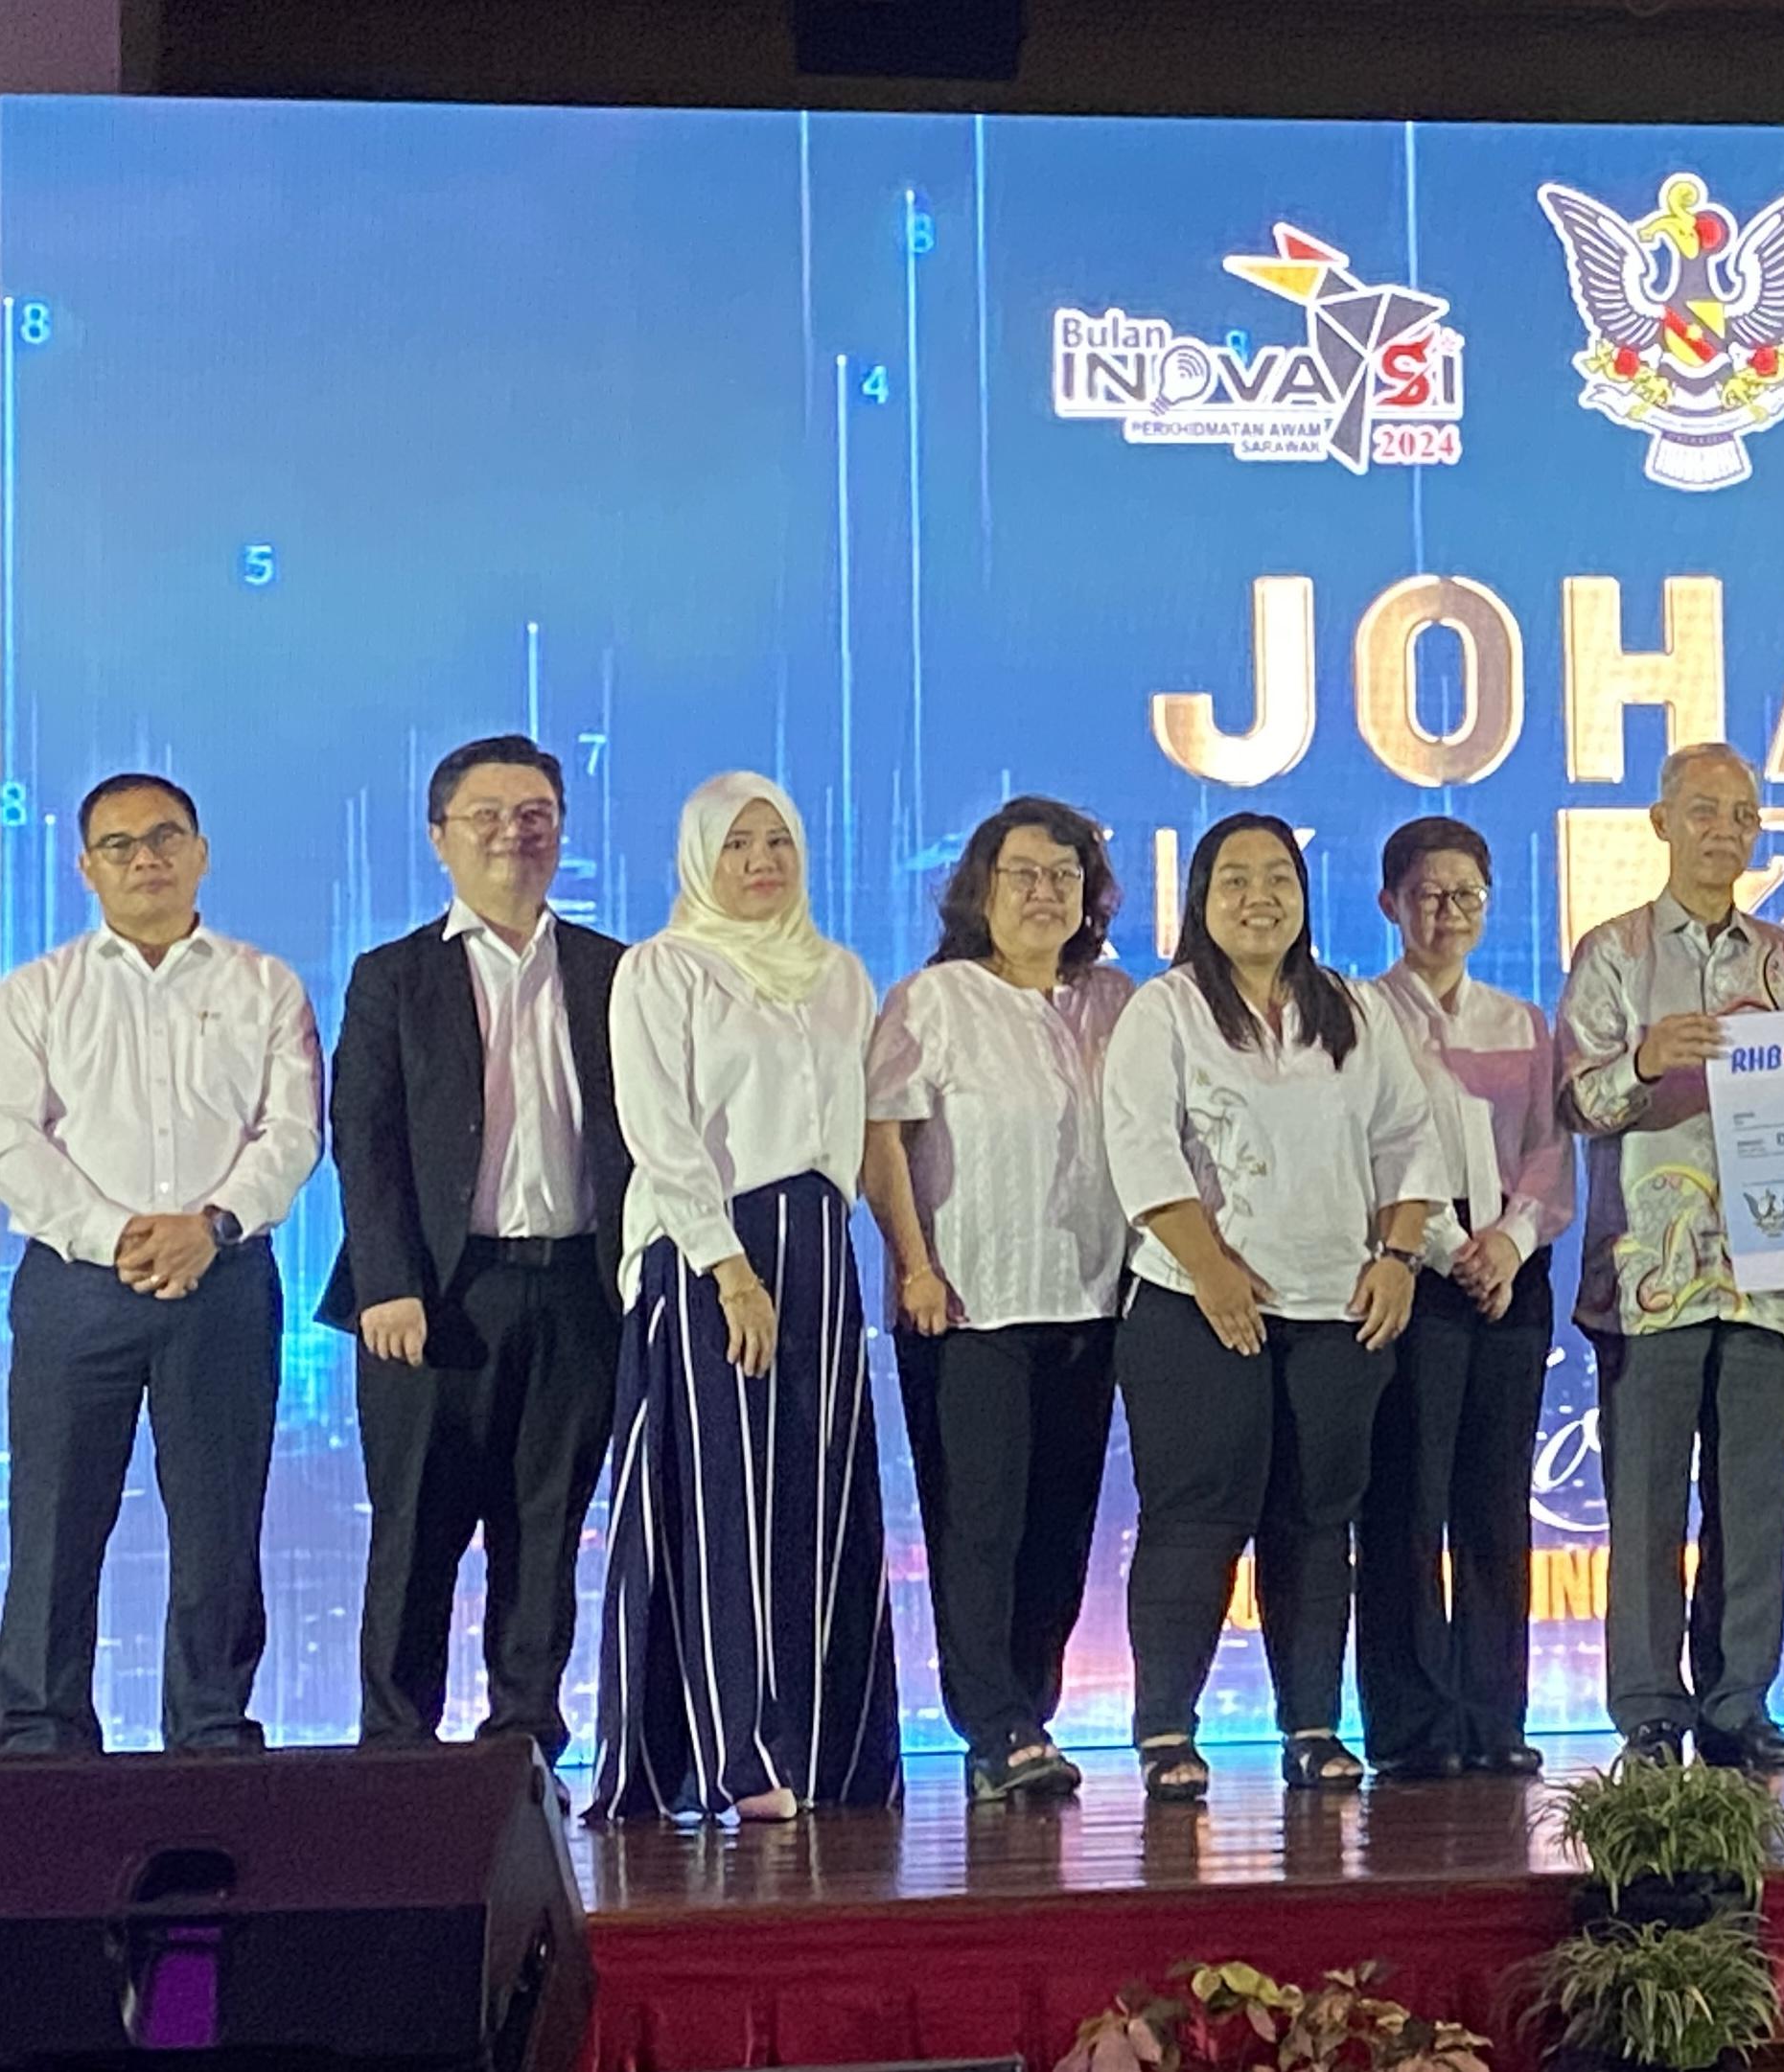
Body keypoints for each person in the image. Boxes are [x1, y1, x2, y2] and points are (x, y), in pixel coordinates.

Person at [0, 772, 320, 1755]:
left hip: (224, 1276)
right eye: (119, 845)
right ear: (86, 868)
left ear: (201, 853)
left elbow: (292, 1131)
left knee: (219, 1527)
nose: (146, 858)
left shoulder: (264, 984)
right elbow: (6, 1139)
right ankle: (39, 1738)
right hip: (78, 1285)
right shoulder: (38, 992)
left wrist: (210, 1224)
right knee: (53, 1524)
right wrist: (117, 1232)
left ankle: (210, 1731)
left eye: (165, 837)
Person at [1102, 815, 1439, 1801]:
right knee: (1194, 1520)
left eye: (1279, 878)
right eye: (1236, 880)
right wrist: (1209, 1268)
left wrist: (1399, 1257)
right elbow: (1141, 1147)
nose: (1261, 897)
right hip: (1194, 1307)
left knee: (1316, 1522)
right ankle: (1167, 1729)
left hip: (1337, 1307)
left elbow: (1408, 1138)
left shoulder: (1353, 1008)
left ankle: (1312, 1726)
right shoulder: (1164, 1011)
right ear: (1201, 899)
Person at [591, 771, 900, 1821]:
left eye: (778, 841)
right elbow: (659, 1129)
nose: (762, 861)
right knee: (724, 1496)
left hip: (819, 1244)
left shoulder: (840, 974)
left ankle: (828, 1749)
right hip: (709, 1246)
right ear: (699, 858)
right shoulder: (664, 968)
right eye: (737, 843)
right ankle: (732, 1753)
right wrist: (729, 1269)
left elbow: (855, 1129)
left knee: (818, 1493)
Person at [322, 735, 630, 1774]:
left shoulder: (614, 970)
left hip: (580, 1287)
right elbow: (363, 1140)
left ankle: (524, 1743)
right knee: (417, 1527)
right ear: (439, 837)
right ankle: (395, 1749)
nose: (513, 833)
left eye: (535, 814)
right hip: (437, 1297)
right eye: (487, 815)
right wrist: (389, 1283)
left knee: (546, 1529)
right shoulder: (393, 975)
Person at [1558, 742, 1784, 1771]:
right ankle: (1647, 1712)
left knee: (1755, 1503)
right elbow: (1575, 1101)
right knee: (1647, 1504)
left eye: (1743, 815)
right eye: (1705, 810)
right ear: (1661, 822)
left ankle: (1739, 1701)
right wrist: (1642, 1059)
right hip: (1648, 1273)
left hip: (1769, 1265)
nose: (1725, 830)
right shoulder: (1615, 952)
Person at [859, 797, 1135, 1803]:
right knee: (978, 1523)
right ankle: (992, 1721)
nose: (1044, 892)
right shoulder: (932, 999)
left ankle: (1031, 1711)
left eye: (1065, 875)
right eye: (1023, 873)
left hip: (1091, 1300)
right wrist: (913, 1264)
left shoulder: (1117, 1000)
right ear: (982, 888)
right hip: (967, 1303)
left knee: (1062, 1527)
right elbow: (883, 1141)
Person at [1358, 816, 1573, 1782]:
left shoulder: (1521, 1021)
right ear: (1390, 904)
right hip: (1410, 1271)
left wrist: (1509, 1244)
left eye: (1467, 895)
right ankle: (1411, 1724)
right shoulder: (1362, 1016)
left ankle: (1494, 1714)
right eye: (1428, 895)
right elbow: (1371, 1149)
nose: (1449, 913)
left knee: (1494, 1500)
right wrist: (1448, 1247)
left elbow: (1550, 1151)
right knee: (1405, 1499)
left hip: (1510, 1279)